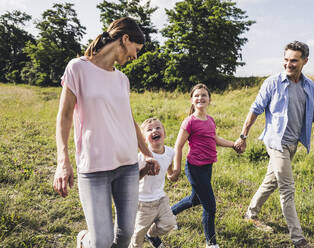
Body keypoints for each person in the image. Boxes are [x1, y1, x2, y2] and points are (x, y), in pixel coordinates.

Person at [53, 17, 160, 248]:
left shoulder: (122, 79)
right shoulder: (78, 67)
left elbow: (128, 120)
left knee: (124, 237)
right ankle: (84, 240)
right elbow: (64, 117)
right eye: (136, 49)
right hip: (94, 169)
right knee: (101, 242)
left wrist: (146, 153)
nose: (135, 56)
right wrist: (63, 161)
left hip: (128, 166)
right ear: (125, 39)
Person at [234, 41, 314, 248]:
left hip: (293, 144)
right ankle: (298, 239)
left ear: (305, 61)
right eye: (286, 59)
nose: (288, 64)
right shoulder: (272, 83)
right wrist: (243, 135)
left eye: (294, 60)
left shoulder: (309, 85)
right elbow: (255, 109)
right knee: (287, 189)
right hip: (276, 143)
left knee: (271, 181)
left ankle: (250, 213)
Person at [169, 83, 238, 248]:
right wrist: (177, 169)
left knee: (195, 199)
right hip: (194, 168)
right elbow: (178, 146)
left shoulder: (210, 120)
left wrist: (233, 145)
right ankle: (211, 243)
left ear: (209, 99)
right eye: (197, 95)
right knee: (210, 206)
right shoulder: (189, 122)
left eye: (204, 95)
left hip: (208, 167)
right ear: (192, 100)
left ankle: (167, 215)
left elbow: (215, 139)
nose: (200, 98)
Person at [128, 118, 177, 248]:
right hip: (143, 202)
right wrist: (144, 170)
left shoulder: (171, 152)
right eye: (149, 130)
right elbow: (132, 178)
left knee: (169, 224)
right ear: (143, 139)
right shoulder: (141, 157)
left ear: (164, 133)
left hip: (161, 198)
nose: (154, 130)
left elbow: (169, 170)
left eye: (157, 128)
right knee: (137, 236)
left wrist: (172, 175)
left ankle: (150, 234)